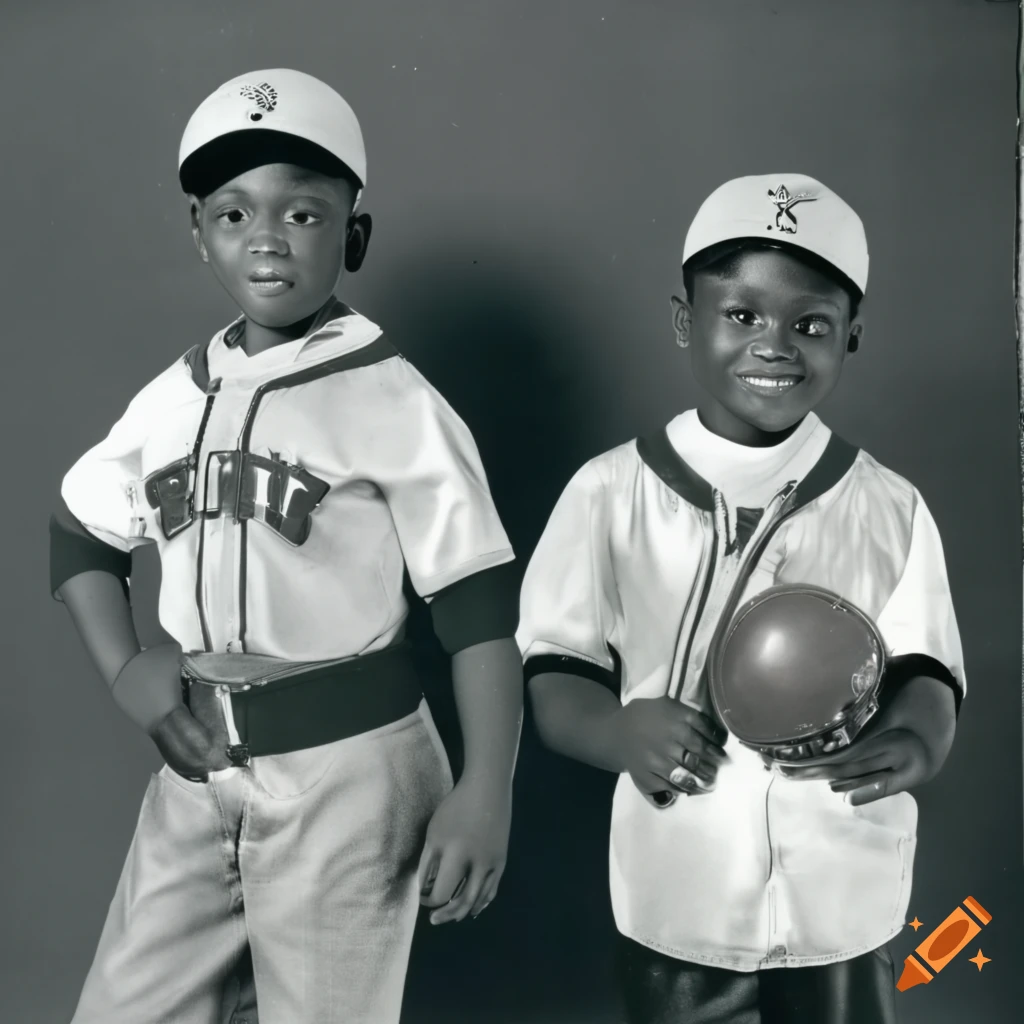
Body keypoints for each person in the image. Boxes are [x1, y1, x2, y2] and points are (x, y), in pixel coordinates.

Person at [50, 68, 523, 1024]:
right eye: (234, 213)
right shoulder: (172, 394)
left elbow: (477, 614)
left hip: (350, 772)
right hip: (198, 767)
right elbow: (78, 535)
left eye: (303, 213)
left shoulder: (396, 399)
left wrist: (487, 789)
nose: (266, 237)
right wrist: (124, 668)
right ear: (199, 231)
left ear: (354, 234)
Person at [517, 173, 963, 1023]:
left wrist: (918, 738)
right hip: (683, 880)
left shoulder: (886, 503)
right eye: (742, 315)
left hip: (840, 876)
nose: (775, 345)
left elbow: (926, 664)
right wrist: (615, 729)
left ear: (852, 336)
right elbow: (555, 672)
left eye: (811, 324)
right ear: (687, 318)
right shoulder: (611, 491)